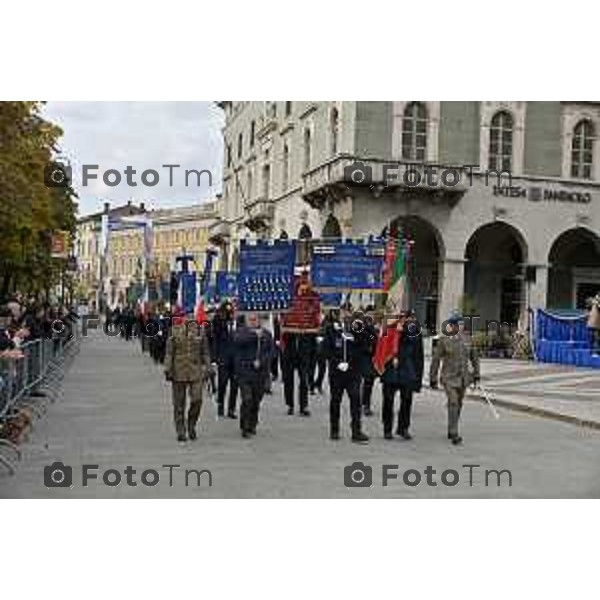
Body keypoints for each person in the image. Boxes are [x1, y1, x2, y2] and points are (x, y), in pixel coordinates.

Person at [429, 314, 480, 445]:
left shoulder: (468, 339)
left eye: (462, 324)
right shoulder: (444, 340)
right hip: (448, 377)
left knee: (459, 403)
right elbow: (436, 360)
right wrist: (432, 378)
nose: (462, 327)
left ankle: (452, 425)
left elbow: (474, 358)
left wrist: (476, 374)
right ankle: (454, 431)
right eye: (459, 324)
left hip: (463, 378)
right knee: (453, 401)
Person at [322, 307, 369, 443]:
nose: (346, 315)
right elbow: (325, 350)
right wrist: (337, 363)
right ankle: (334, 430)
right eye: (343, 313)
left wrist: (363, 328)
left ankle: (356, 431)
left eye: (349, 312)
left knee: (355, 400)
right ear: (338, 314)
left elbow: (366, 344)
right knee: (336, 400)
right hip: (337, 372)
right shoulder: (332, 329)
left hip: (353, 371)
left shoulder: (357, 328)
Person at [164, 310, 211, 442]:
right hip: (178, 371)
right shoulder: (174, 330)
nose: (189, 318)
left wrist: (208, 366)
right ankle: (180, 430)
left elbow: (205, 352)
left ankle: (191, 425)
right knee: (179, 404)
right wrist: (167, 368)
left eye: (192, 316)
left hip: (196, 371)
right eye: (187, 316)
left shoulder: (200, 331)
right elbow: (169, 352)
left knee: (197, 399)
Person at [380, 310, 424, 440]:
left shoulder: (414, 330)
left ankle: (403, 428)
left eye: (410, 319)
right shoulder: (389, 328)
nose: (408, 321)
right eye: (404, 318)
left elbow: (418, 352)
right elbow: (382, 345)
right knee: (388, 401)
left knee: (406, 401)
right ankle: (387, 429)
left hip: (407, 370)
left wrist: (418, 376)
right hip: (390, 369)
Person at [233, 312, 274, 438]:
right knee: (247, 399)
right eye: (250, 320)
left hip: (259, 374)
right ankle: (244, 427)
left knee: (256, 401)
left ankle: (252, 424)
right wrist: (253, 335)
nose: (253, 322)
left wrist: (261, 361)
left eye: (255, 319)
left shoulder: (266, 334)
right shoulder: (241, 332)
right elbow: (238, 341)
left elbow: (271, 352)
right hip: (244, 372)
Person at [211, 301, 239, 418]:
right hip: (223, 357)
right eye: (231, 311)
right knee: (222, 383)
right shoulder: (219, 321)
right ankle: (220, 405)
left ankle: (231, 409)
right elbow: (215, 340)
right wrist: (214, 358)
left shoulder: (240, 322)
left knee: (234, 385)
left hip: (237, 359)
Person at [281, 331, 314, 416]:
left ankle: (303, 406)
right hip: (289, 354)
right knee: (288, 380)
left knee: (304, 380)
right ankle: (290, 405)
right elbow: (283, 333)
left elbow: (313, 335)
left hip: (303, 354)